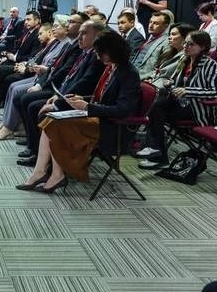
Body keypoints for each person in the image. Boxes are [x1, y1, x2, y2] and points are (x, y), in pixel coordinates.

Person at [15, 31, 140, 192]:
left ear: (110, 52)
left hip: (111, 128)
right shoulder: (113, 67)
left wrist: (87, 106)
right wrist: (84, 99)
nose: (97, 56)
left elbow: (123, 110)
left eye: (99, 53)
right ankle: (42, 172)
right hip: (98, 119)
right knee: (50, 121)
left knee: (55, 125)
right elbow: (104, 99)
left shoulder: (128, 73)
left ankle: (56, 175)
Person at [135, 30, 217, 169]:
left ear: (202, 47)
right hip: (180, 104)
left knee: (157, 111)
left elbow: (215, 92)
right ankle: (155, 150)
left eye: (191, 44)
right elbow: (176, 80)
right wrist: (170, 83)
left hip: (196, 108)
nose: (186, 47)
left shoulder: (211, 65)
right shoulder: (184, 60)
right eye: (185, 43)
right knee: (155, 107)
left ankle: (158, 154)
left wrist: (188, 91)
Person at [130, 10, 172, 78]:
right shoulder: (150, 39)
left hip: (144, 78)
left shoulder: (167, 42)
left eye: (156, 23)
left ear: (165, 26)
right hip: (132, 74)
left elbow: (162, 68)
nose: (151, 25)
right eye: (150, 22)